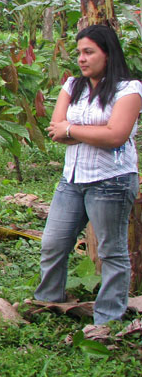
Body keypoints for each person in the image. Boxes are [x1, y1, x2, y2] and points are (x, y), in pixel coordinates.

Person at [37, 24, 142, 325]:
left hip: (112, 180)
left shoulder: (128, 89)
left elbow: (116, 136)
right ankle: (48, 302)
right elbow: (56, 130)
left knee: (111, 250)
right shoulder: (73, 86)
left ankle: (107, 319)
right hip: (72, 179)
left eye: (89, 52)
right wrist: (91, 131)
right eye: (79, 52)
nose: (81, 58)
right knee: (53, 243)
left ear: (107, 54)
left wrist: (73, 130)